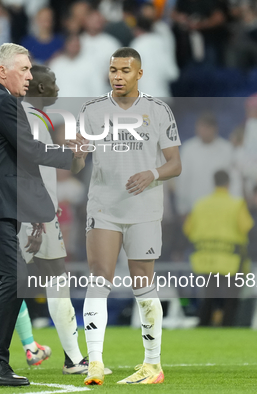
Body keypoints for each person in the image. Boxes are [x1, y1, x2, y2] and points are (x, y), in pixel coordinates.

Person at [0, 43, 75, 387]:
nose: (30, 75)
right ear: (2, 71)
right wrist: (71, 154)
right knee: (16, 278)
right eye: (23, 69)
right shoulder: (3, 102)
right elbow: (30, 150)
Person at [71, 47, 182, 385]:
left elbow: (175, 165)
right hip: (104, 207)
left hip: (144, 210)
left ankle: (152, 365)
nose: (117, 76)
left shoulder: (158, 110)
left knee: (142, 284)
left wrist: (152, 173)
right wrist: (75, 156)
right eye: (113, 70)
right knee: (99, 279)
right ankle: (94, 362)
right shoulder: (91, 110)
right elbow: (78, 163)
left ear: (139, 74)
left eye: (125, 71)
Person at [18, 64, 107, 375]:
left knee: (20, 284)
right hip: (32, 214)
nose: (57, 86)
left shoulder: (39, 119)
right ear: (40, 89)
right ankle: (73, 359)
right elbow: (28, 168)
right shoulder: (27, 119)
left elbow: (67, 167)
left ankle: (73, 359)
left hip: (40, 212)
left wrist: (78, 154)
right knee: (16, 285)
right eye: (52, 82)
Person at [184, 170, 254, 326]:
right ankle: (227, 328)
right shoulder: (236, 204)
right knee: (231, 299)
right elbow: (247, 227)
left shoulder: (200, 204)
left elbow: (188, 230)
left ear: (214, 182)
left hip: (205, 259)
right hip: (230, 260)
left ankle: (203, 327)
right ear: (228, 183)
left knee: (208, 298)